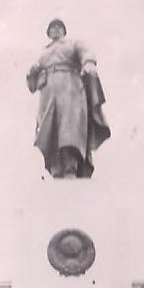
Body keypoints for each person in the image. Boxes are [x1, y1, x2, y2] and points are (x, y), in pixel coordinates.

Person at [26, 19, 110, 179]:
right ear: (48, 33)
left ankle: (71, 166)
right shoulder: (44, 52)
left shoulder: (72, 44)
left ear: (64, 31)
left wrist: (89, 63)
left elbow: (85, 52)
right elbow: (32, 83)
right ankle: (56, 168)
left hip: (70, 89)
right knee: (49, 130)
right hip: (48, 93)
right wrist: (32, 72)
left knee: (69, 128)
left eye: (59, 27)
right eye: (52, 28)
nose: (56, 30)